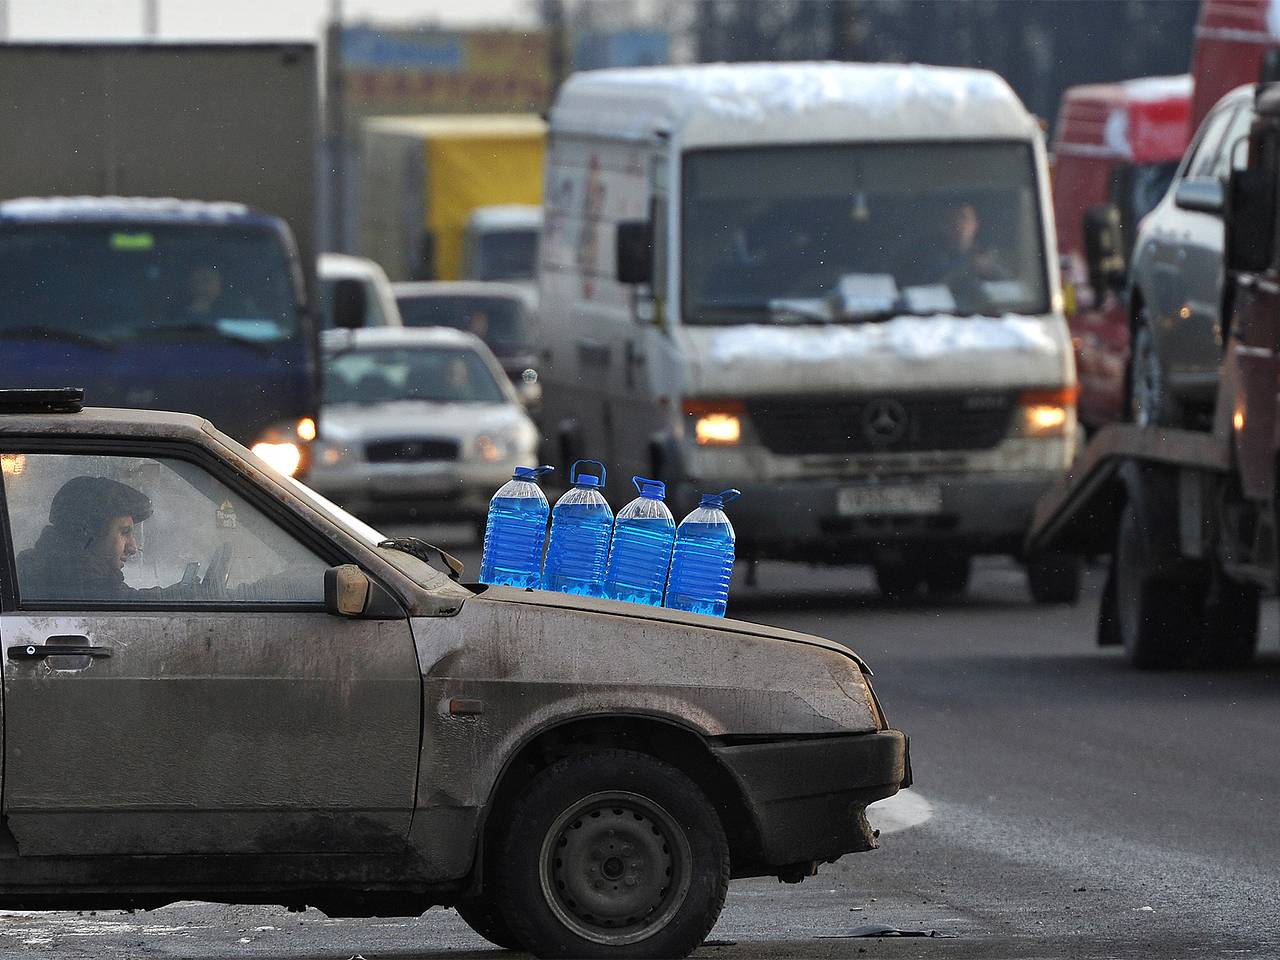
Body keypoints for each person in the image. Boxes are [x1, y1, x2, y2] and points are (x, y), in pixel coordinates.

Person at [16, 476, 155, 601]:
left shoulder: (33, 576)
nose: (133, 548)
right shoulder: (87, 590)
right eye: (125, 532)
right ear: (87, 536)